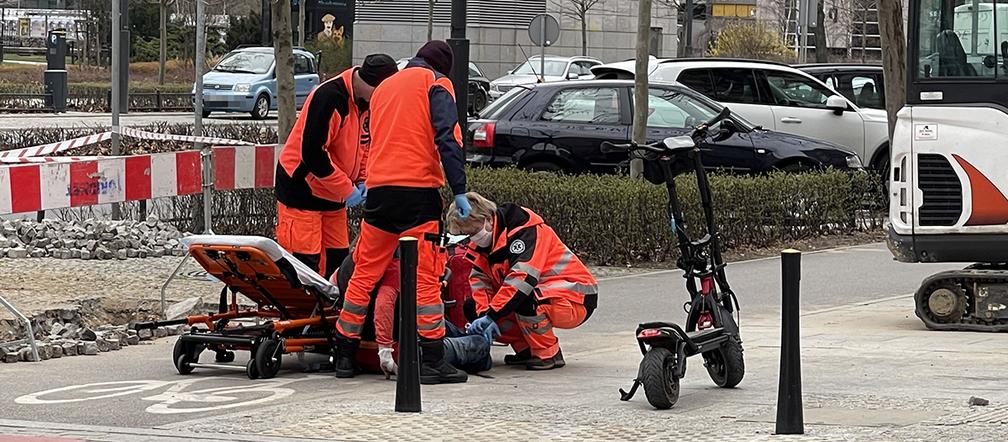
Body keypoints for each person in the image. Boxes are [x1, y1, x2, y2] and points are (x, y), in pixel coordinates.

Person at [332, 40, 472, 385]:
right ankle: (433, 360)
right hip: (417, 195)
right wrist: (458, 189)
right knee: (426, 275)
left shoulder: (384, 88)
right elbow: (447, 138)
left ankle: (345, 354)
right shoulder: (437, 83)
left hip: (380, 194)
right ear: (443, 67)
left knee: (365, 273)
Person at [274, 54, 398, 278]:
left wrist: (363, 179)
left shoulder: (368, 104)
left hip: (334, 192)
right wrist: (347, 189)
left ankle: (329, 310)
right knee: (303, 262)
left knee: (338, 260)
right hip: (301, 188)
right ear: (374, 87)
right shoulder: (329, 97)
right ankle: (300, 311)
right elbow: (313, 153)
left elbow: (364, 146)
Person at [446, 192, 598, 370]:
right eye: (466, 234)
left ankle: (548, 354)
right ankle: (526, 350)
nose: (471, 238)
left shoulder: (527, 232)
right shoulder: (482, 247)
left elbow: (522, 279)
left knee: (524, 298)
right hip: (548, 293)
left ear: (487, 219)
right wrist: (483, 315)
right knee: (475, 307)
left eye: (472, 231)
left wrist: (492, 316)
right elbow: (480, 283)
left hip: (575, 295)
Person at [331, 255, 491, 378]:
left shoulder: (348, 264)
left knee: (450, 328)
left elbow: (333, 288)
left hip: (356, 350)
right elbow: (384, 304)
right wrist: (385, 350)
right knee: (480, 344)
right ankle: (469, 357)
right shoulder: (393, 263)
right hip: (403, 350)